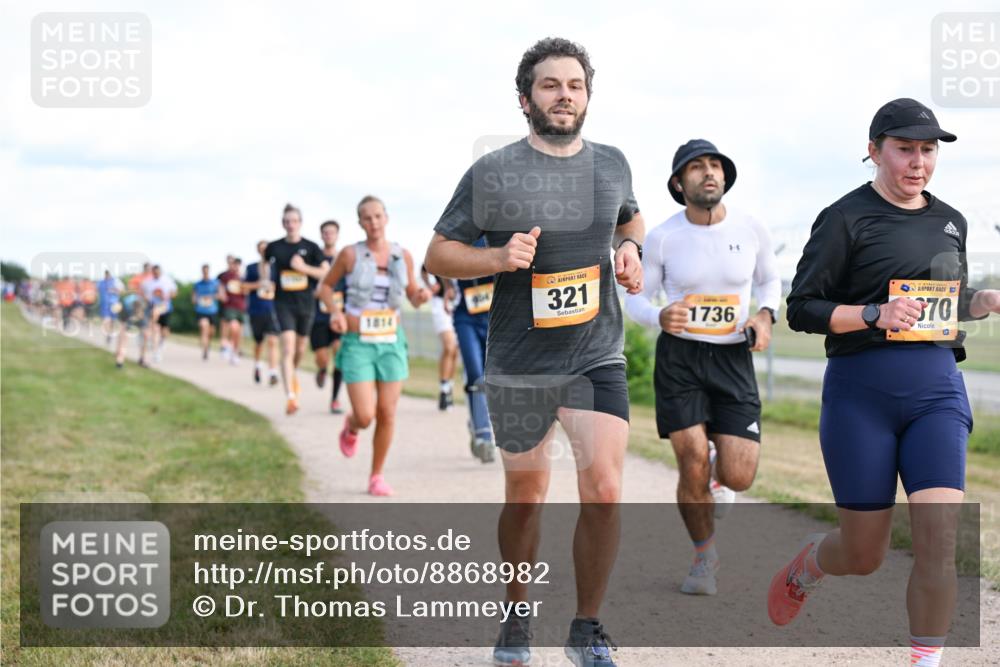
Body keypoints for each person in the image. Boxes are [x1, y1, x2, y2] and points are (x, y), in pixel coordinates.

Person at [424, 37, 644, 667]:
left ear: (587, 96)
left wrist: (629, 249)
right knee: (527, 496)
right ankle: (517, 619)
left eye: (574, 85)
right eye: (550, 85)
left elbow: (630, 219)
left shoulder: (612, 164)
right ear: (526, 100)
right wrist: (495, 258)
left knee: (603, 487)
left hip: (596, 351)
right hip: (520, 358)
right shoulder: (493, 172)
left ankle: (586, 628)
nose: (564, 95)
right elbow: (438, 254)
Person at [771, 98, 1000, 667]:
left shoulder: (951, 221)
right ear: (874, 152)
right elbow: (801, 308)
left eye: (928, 150)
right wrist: (873, 314)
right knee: (864, 552)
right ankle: (810, 566)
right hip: (860, 395)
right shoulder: (844, 217)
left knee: (939, 542)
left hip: (937, 393)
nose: (917, 162)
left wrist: (980, 302)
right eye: (904, 149)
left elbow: (942, 303)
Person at [624, 139, 781, 596]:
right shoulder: (663, 237)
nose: (709, 173)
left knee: (739, 476)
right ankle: (703, 558)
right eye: (696, 167)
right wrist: (658, 316)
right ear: (679, 182)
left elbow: (770, 280)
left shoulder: (751, 228)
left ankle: (719, 470)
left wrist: (765, 316)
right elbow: (634, 296)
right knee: (688, 459)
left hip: (733, 357)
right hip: (681, 358)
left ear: (725, 178)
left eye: (716, 165)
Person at [319, 195, 430, 496]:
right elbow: (325, 287)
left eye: (378, 216)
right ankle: (352, 426)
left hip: (392, 341)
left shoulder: (402, 255)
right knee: (366, 415)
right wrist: (336, 313)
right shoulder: (349, 255)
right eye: (367, 218)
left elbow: (411, 293)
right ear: (360, 223)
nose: (374, 222)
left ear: (387, 218)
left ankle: (376, 476)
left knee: (387, 413)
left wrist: (420, 296)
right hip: (358, 343)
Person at [262, 204, 330, 414]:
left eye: (294, 221)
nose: (290, 225)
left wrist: (303, 268)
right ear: (282, 224)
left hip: (306, 304)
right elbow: (263, 263)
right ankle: (291, 397)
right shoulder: (274, 247)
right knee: (288, 348)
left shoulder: (311, 247)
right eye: (286, 221)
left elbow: (326, 273)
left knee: (300, 349)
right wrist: (266, 280)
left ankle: (292, 374)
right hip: (283, 304)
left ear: (300, 223)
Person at [451, 237, 496, 463]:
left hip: (494, 315)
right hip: (465, 317)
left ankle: (477, 422)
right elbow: (433, 263)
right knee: (475, 373)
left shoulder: (497, 231)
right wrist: (446, 286)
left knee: (489, 376)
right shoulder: (457, 230)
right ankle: (483, 435)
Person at [311, 220, 346, 413]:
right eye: (325, 232)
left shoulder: (344, 258)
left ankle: (335, 400)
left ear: (337, 234)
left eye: (332, 232)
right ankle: (323, 369)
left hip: (339, 315)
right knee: (323, 358)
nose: (329, 235)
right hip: (319, 317)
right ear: (321, 235)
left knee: (339, 354)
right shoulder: (315, 259)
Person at [421, 264, 459, 410]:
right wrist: (430, 285)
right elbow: (425, 268)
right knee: (449, 346)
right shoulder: (443, 244)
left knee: (455, 350)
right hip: (440, 303)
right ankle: (443, 388)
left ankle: (449, 387)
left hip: (459, 303)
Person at [244, 241, 281, 386]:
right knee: (259, 341)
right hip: (256, 308)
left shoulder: (276, 268)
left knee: (273, 340)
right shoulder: (251, 268)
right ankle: (258, 364)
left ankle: (273, 372)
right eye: (262, 249)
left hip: (273, 308)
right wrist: (258, 284)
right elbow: (244, 286)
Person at [140, 265, 177, 364]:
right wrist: (146, 298)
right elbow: (142, 292)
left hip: (165, 308)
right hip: (153, 308)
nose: (156, 274)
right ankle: (156, 351)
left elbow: (174, 293)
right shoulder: (147, 282)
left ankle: (161, 342)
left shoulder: (167, 281)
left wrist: (167, 296)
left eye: (157, 272)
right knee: (155, 328)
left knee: (164, 330)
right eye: (154, 272)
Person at [218, 256, 247, 365]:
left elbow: (247, 290)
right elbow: (220, 287)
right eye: (235, 264)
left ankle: (235, 352)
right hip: (229, 306)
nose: (236, 267)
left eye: (238, 265)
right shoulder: (226, 276)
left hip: (241, 306)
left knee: (239, 332)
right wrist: (221, 294)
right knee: (233, 327)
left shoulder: (243, 277)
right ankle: (228, 345)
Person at [192, 264, 221, 360]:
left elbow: (220, 295)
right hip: (201, 310)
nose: (205, 273)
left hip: (212, 310)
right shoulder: (197, 284)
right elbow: (194, 298)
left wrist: (211, 297)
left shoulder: (215, 283)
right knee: (204, 327)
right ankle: (205, 351)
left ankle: (207, 344)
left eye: (206, 271)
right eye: (203, 271)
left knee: (211, 332)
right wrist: (197, 299)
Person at [97, 270, 124, 345]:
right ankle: (108, 334)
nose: (107, 276)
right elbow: (98, 290)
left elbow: (121, 291)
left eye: (108, 275)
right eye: (106, 275)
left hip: (114, 304)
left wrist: (114, 290)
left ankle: (111, 333)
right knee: (106, 320)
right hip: (104, 304)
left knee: (113, 320)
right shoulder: (101, 282)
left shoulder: (116, 281)